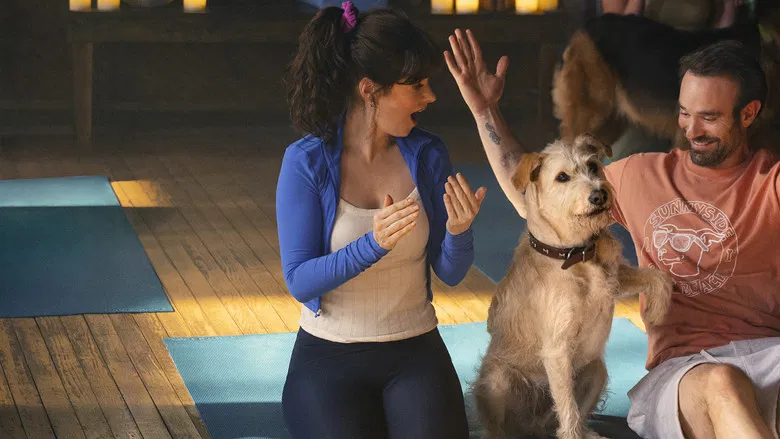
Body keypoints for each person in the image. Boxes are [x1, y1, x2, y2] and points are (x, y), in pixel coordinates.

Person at [445, 28, 779, 439]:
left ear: (748, 114)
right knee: (723, 385)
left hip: (769, 353)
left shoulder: (771, 183)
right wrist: (484, 111)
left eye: (709, 117)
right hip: (689, 369)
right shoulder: (642, 175)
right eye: (684, 113)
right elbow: (532, 190)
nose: (691, 130)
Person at [276, 3, 486, 438]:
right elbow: (299, 279)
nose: (430, 97)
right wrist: (371, 245)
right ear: (370, 90)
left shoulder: (428, 154)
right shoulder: (306, 162)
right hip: (327, 355)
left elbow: (448, 272)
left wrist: (458, 232)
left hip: (415, 351)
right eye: (417, 85)